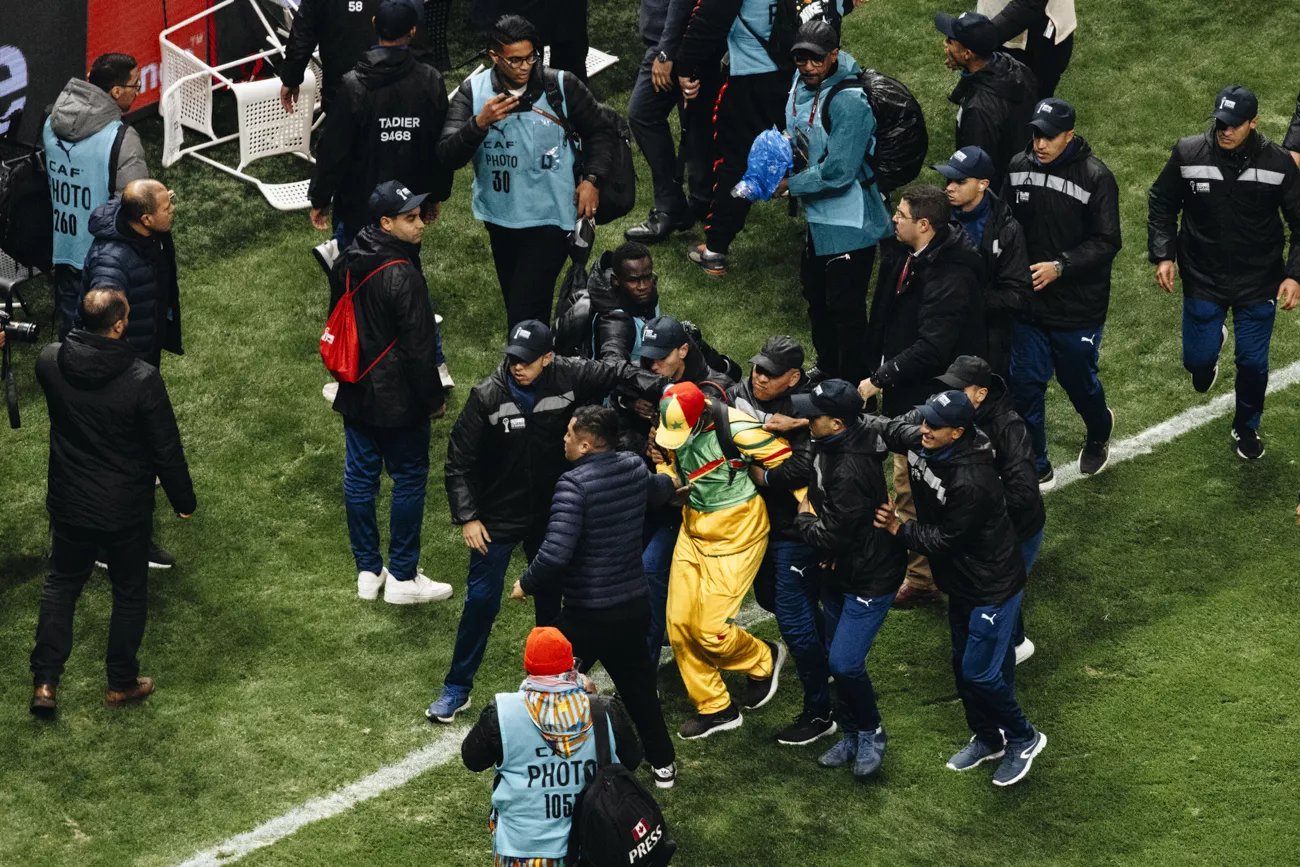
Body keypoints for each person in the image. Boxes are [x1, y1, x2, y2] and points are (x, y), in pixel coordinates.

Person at [430, 321, 664, 723]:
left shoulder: (571, 374)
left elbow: (618, 370)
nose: (516, 366)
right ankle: (457, 688)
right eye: (512, 358)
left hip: (553, 511)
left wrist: (668, 393)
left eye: (525, 360)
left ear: (547, 359)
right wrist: (468, 517)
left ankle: (552, 682)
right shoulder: (486, 396)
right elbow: (459, 462)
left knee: (553, 603)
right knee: (481, 601)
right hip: (499, 516)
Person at [29, 289, 196, 718]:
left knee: (62, 584)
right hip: (123, 509)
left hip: (69, 502)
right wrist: (183, 500)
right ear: (119, 325)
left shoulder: (50, 361)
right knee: (128, 592)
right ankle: (121, 683)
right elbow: (166, 448)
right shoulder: (141, 379)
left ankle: (46, 683)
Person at [869, 390, 1046, 787]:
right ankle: (988, 738)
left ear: (958, 433)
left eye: (935, 426)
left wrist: (899, 529)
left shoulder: (973, 480)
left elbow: (945, 539)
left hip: (992, 585)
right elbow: (886, 427)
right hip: (963, 581)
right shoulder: (928, 439)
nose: (925, 430)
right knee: (965, 666)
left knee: (979, 673)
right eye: (925, 422)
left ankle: (1024, 737)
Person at [509, 406, 679, 788]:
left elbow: (555, 553)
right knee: (639, 689)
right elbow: (659, 491)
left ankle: (549, 762)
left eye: (570, 434)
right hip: (634, 607)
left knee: (547, 685)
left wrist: (525, 584)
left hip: (588, 614)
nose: (564, 439)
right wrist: (672, 480)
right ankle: (663, 763)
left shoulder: (574, 485)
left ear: (586, 446)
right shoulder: (634, 467)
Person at [1147, 85, 1300, 460]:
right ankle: (1212, 343)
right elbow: (1162, 201)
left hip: (1258, 279)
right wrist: (1164, 255)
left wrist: (1294, 275)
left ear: (1253, 123)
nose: (1224, 131)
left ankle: (1246, 426)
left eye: (1233, 124)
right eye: (1219, 123)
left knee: (1253, 362)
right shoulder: (1188, 153)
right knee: (1196, 364)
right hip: (1203, 276)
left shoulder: (1279, 163)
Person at [438, 15, 616, 329]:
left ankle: (522, 370)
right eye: (515, 60)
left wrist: (592, 180)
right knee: (520, 306)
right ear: (494, 57)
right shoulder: (473, 92)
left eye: (530, 57)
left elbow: (601, 131)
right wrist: (479, 123)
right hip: (500, 218)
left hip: (551, 217)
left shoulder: (561, 85)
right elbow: (447, 155)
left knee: (524, 313)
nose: (524, 66)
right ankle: (539, 366)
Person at [861, 184, 985, 606]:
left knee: (920, 491)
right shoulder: (909, 255)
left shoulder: (952, 273)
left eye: (901, 214)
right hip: (912, 398)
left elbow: (933, 346)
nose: (894, 219)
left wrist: (879, 378)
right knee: (909, 489)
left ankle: (931, 577)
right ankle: (921, 576)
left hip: (929, 404)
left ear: (925, 225)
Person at [329, 181, 451, 604]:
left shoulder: (348, 258)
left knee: (360, 480)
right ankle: (402, 577)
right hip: (398, 401)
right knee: (409, 479)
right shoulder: (403, 275)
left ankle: (368, 571)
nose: (420, 225)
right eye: (410, 218)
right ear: (386, 223)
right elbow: (419, 351)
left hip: (355, 389)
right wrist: (434, 400)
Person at [652, 381, 792, 739]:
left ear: (699, 417)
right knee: (680, 626)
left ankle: (763, 658)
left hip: (738, 533)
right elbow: (669, 465)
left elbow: (793, 467)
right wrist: (669, 482)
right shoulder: (672, 424)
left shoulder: (740, 428)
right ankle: (716, 707)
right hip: (692, 527)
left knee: (711, 632)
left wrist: (811, 514)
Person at [789, 379, 905, 776]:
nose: (807, 419)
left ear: (837, 423)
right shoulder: (832, 442)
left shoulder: (851, 468)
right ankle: (852, 732)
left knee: (845, 662)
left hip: (870, 576)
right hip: (843, 566)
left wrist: (803, 517)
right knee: (830, 652)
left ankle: (872, 731)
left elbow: (828, 530)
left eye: (813, 416)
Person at [1005, 97, 1121, 487]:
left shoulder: (1096, 177)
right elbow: (1007, 226)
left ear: (1069, 135)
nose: (1040, 143)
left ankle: (1099, 430)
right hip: (1030, 304)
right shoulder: (1018, 168)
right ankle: (1037, 464)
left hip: (1077, 307)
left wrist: (1061, 266)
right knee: (1025, 386)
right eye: (1036, 134)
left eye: (1050, 137)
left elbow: (1107, 241)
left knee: (1078, 382)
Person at [461, 627, 642, 867]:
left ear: (528, 669)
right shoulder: (603, 709)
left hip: (521, 850)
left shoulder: (502, 712)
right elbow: (632, 760)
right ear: (571, 667)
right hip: (593, 846)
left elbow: (473, 759)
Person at [729, 336, 834, 747]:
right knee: (772, 598)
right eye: (757, 368)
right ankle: (829, 657)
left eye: (770, 374)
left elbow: (808, 466)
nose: (758, 378)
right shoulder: (739, 393)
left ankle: (819, 711)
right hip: (756, 527)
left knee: (792, 619)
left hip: (794, 529)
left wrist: (767, 475)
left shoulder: (807, 409)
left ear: (793, 378)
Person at [779, 20, 892, 384]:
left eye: (815, 60)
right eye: (800, 59)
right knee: (816, 296)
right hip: (819, 219)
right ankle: (828, 366)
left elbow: (840, 171)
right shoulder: (801, 81)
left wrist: (790, 184)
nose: (808, 67)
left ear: (833, 55)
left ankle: (855, 384)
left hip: (850, 223)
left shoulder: (849, 102)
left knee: (845, 308)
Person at [309, 0, 453, 250]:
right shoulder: (430, 81)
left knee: (355, 271)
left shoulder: (352, 85)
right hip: (407, 200)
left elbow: (334, 149)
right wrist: (435, 194)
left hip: (357, 203)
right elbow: (439, 146)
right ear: (413, 31)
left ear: (374, 24)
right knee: (404, 267)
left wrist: (320, 198)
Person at [674, 0, 799, 276]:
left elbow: (707, 20)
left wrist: (685, 66)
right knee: (806, 150)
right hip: (802, 77)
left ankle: (715, 249)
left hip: (751, 82)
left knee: (737, 164)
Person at [637, 314, 735, 664]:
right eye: (648, 357)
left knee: (657, 573)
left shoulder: (715, 393)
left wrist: (667, 453)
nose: (653, 364)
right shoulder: (660, 379)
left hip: (705, 506)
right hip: (667, 498)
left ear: (683, 350)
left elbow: (720, 460)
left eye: (661, 356)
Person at [935, 355, 1043, 664]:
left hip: (1018, 528)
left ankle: (1008, 651)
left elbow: (1023, 493)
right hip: (986, 528)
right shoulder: (957, 417)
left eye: (960, 389)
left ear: (981, 393)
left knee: (998, 592)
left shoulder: (1008, 427)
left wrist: (979, 507)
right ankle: (1015, 641)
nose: (951, 395)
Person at [43, 53, 149, 339]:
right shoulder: (122, 138)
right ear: (116, 92)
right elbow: (136, 207)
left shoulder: (49, 124)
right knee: (109, 346)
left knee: (71, 341)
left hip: (63, 252)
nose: (138, 92)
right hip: (105, 262)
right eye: (135, 86)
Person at [623, 0, 719, 243]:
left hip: (676, 42)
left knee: (643, 113)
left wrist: (665, 52)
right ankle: (701, 200)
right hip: (691, 37)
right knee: (697, 119)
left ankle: (672, 207)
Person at [934, 145, 1032, 378]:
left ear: (983, 184)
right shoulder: (935, 218)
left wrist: (969, 301)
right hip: (935, 329)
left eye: (959, 182)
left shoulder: (1007, 229)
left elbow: (1018, 294)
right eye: (948, 180)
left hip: (984, 335)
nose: (949, 188)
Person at [81, 180, 181, 372]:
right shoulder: (110, 263)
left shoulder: (138, 223)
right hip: (127, 359)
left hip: (147, 339)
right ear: (146, 219)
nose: (172, 209)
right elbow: (103, 322)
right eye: (166, 207)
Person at [934, 10, 1037, 191]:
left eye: (950, 41)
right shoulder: (1013, 66)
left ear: (967, 53)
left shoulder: (979, 110)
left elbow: (977, 168)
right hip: (1021, 166)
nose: (945, 44)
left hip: (998, 189)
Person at [278, 0, 431, 114]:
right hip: (390, 91)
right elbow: (417, 35)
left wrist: (291, 78)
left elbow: (303, 33)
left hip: (343, 92)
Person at [977, 0, 1076, 99]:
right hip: (997, 26)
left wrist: (981, 38)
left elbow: (1029, 4)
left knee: (1029, 102)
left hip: (1038, 38)